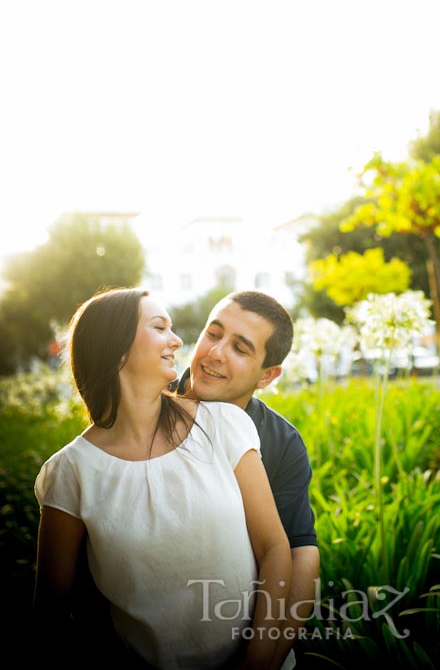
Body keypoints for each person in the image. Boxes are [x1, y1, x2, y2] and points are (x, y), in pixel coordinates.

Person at [33, 287, 292, 670]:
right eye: (159, 327)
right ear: (118, 348)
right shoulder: (70, 473)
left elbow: (275, 549)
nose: (177, 341)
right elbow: (53, 615)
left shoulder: (224, 424)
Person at [172, 290, 320, 663]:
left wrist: (267, 655)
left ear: (267, 375)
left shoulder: (282, 442)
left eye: (240, 349)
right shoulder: (146, 407)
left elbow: (301, 551)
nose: (216, 352)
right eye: (213, 333)